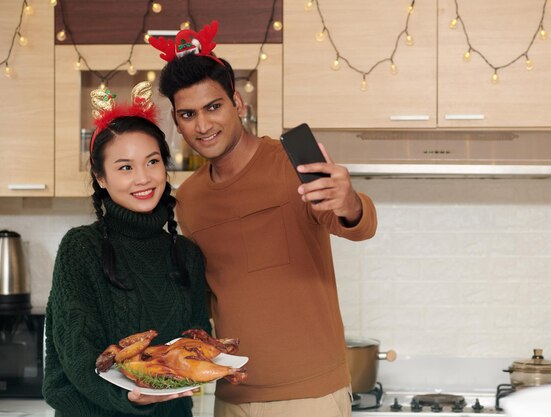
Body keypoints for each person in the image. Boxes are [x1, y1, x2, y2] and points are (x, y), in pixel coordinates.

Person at [150, 23, 377, 417]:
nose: (203, 126)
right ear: (175, 119)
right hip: (232, 396)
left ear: (237, 103)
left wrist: (350, 202)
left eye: (213, 107)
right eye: (188, 114)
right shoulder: (188, 200)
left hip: (311, 396)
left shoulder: (293, 163)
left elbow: (359, 225)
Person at [42, 82, 211, 417]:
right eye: (125, 167)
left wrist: (211, 358)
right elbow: (75, 351)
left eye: (152, 162)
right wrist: (127, 399)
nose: (143, 178)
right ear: (100, 177)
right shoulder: (81, 248)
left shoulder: (188, 255)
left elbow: (194, 338)